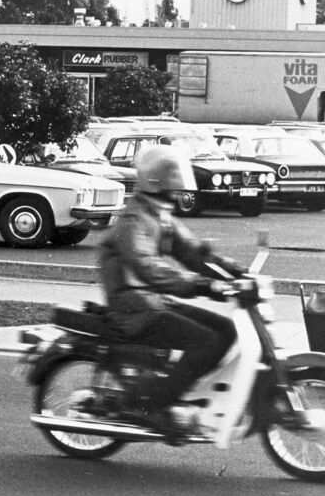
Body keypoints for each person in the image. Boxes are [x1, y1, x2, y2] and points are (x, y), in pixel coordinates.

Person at [99, 145, 245, 434]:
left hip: (153, 301)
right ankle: (156, 404)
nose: (180, 190)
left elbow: (193, 253)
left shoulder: (159, 216)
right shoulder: (133, 220)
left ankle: (177, 391)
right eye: (174, 183)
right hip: (134, 307)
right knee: (205, 341)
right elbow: (148, 266)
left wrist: (234, 270)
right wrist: (201, 285)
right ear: (158, 181)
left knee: (228, 330)